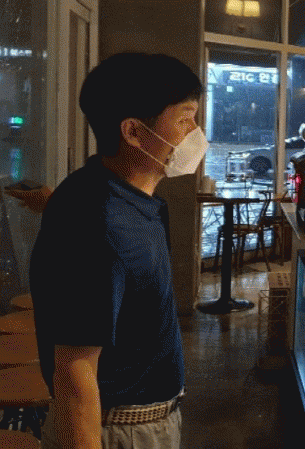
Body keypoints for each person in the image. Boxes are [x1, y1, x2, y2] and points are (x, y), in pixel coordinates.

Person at [29, 52, 206, 449]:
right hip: (119, 431)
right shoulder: (99, 222)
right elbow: (74, 371)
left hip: (142, 422)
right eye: (184, 119)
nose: (195, 133)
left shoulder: (122, 197)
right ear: (133, 132)